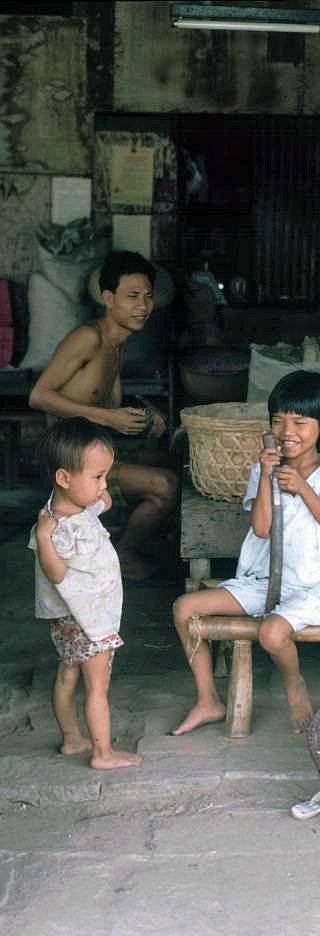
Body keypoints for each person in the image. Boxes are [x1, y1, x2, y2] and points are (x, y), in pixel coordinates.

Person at [171, 370, 320, 735]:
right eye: (278, 421)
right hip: (263, 582)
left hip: (311, 587)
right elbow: (261, 528)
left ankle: (294, 685)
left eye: (299, 422)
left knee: (272, 635)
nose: (287, 431)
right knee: (184, 608)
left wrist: (304, 489)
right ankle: (208, 698)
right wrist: (265, 476)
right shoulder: (265, 467)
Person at [28, 250, 179, 581]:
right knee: (165, 486)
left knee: (176, 459)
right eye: (132, 296)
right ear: (109, 299)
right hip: (69, 460)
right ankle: (123, 555)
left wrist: (145, 416)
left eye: (148, 296)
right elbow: (39, 396)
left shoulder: (117, 345)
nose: (143, 305)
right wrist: (109, 419)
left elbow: (106, 408)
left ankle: (121, 542)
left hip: (97, 450)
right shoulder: (89, 337)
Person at [28, 417, 141, 770]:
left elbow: (102, 501)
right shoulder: (57, 528)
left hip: (70, 618)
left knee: (67, 674)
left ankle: (72, 739)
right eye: (96, 476)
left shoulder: (70, 506)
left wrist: (97, 485)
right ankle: (103, 752)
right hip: (87, 618)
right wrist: (44, 539)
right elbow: (56, 572)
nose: (103, 484)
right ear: (63, 478)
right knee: (97, 684)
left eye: (105, 475)